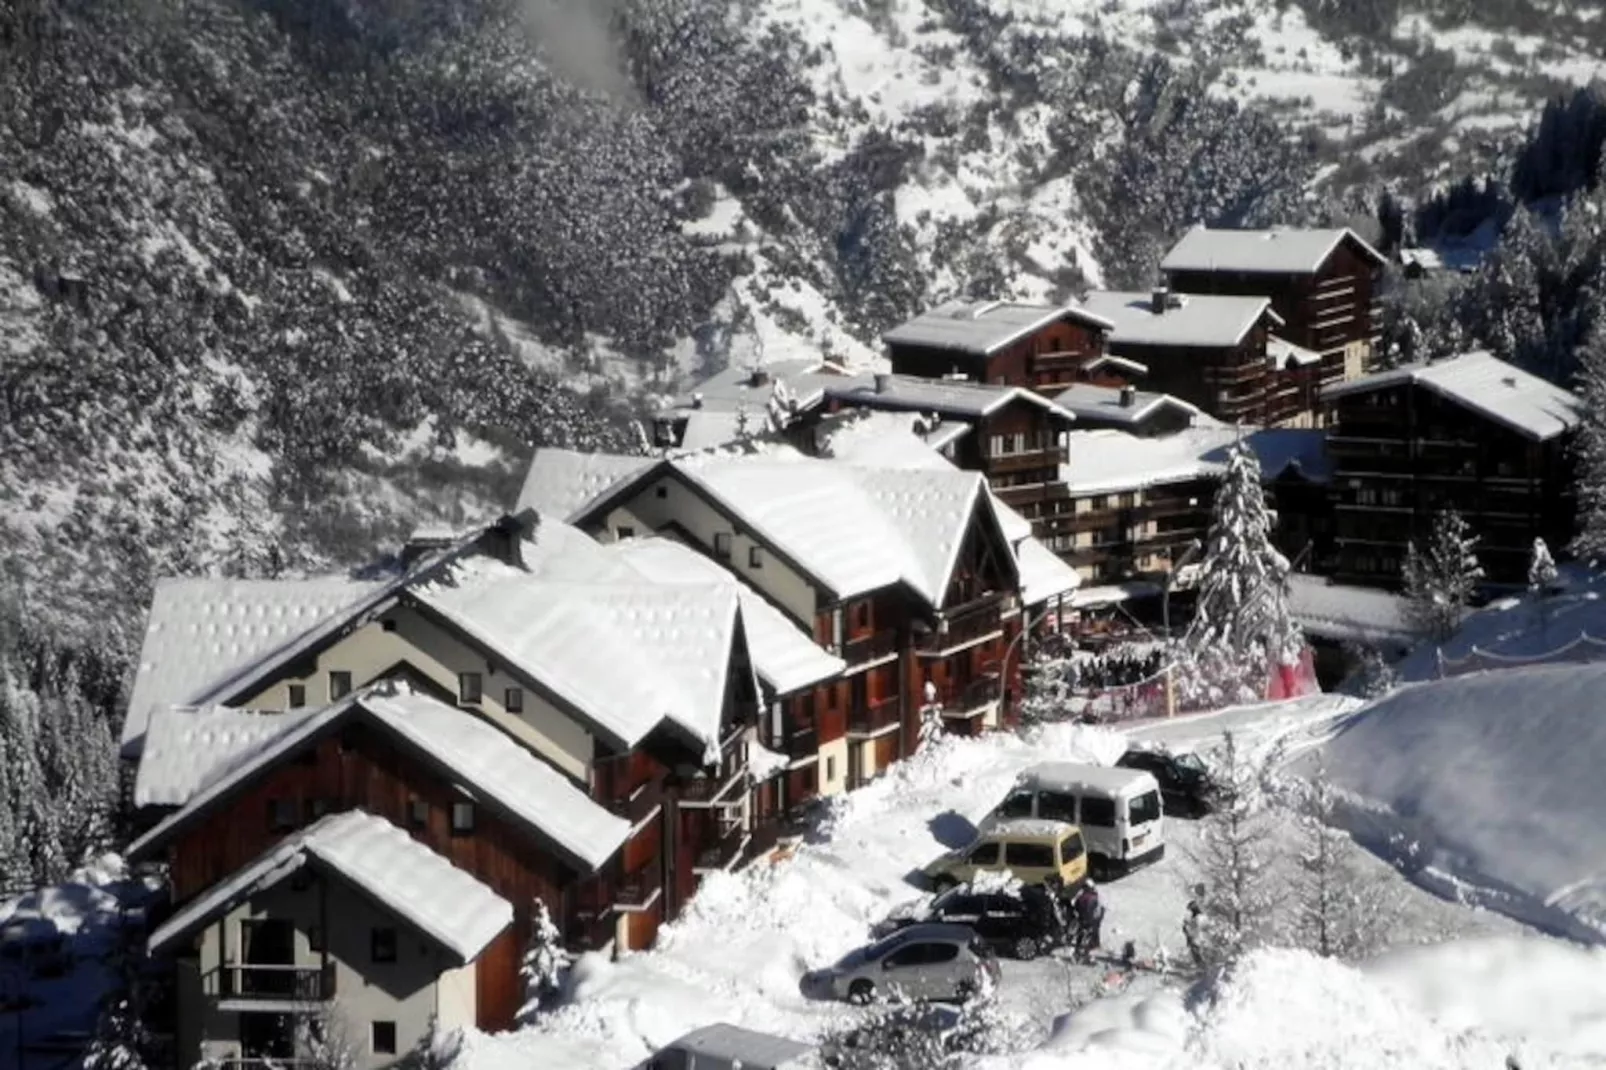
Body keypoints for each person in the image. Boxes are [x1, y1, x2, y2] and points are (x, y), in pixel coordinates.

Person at [1072, 880, 1104, 962]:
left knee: (1081, 935)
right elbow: (1097, 910)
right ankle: (1089, 949)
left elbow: (1075, 907)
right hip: (1091, 920)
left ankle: (1078, 950)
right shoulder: (1093, 897)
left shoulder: (1080, 897)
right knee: (1091, 934)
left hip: (1082, 920)